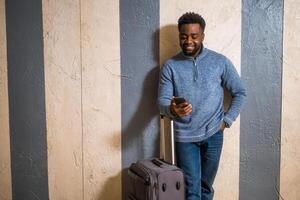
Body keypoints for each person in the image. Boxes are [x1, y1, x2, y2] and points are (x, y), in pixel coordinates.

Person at [158, 12, 246, 200]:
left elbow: (240, 92)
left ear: (202, 36)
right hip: (185, 137)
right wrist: (173, 110)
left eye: (194, 36)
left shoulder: (219, 62)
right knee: (191, 191)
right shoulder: (170, 66)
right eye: (184, 36)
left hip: (214, 134)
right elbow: (162, 102)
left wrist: (226, 121)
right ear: (179, 36)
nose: (188, 40)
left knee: (206, 188)